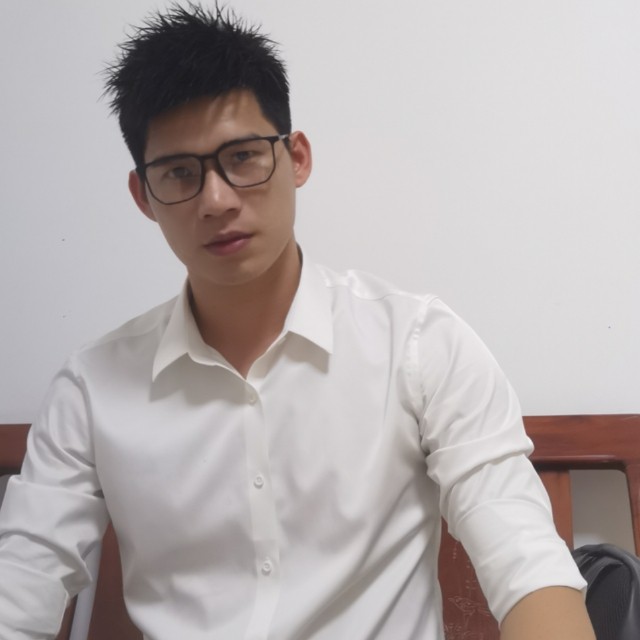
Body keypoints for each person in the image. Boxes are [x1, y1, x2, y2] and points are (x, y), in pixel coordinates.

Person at [0, 4, 594, 639]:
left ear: (298, 157)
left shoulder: (417, 345)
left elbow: (526, 562)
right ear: (143, 196)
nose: (216, 200)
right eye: (179, 173)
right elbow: (21, 586)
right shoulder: (92, 390)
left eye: (243, 157)